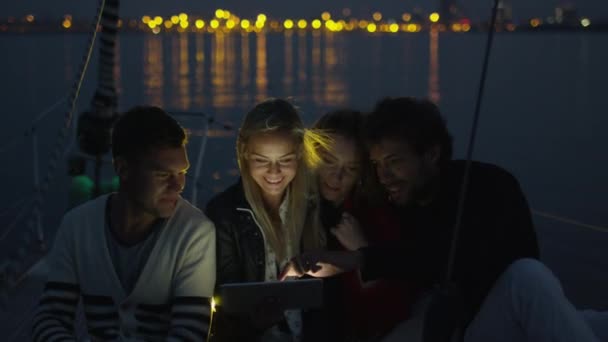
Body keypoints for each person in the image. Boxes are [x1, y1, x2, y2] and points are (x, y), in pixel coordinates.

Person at [282, 97, 608, 341]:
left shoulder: (483, 188)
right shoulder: (377, 204)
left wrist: (359, 257)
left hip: (470, 323)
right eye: (378, 165)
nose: (385, 176)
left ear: (432, 154)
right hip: (447, 325)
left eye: (393, 162)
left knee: (529, 279)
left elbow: (439, 262)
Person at [32, 106, 216, 341]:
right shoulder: (77, 226)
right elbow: (50, 317)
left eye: (182, 173)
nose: (178, 185)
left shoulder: (195, 233)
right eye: (163, 175)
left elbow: (190, 333)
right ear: (123, 169)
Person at [205, 98, 328, 341]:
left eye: (285, 160)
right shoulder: (224, 214)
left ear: (300, 153)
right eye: (262, 160)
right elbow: (224, 301)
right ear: (244, 153)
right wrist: (255, 323)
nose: (274, 172)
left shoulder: (315, 205)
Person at [312, 109, 419, 340]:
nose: (337, 177)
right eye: (329, 162)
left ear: (362, 173)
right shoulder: (296, 208)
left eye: (350, 169)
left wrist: (362, 251)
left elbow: (391, 310)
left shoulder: (373, 217)